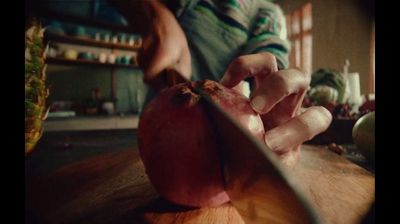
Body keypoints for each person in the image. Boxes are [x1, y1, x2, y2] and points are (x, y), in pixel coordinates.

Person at [112, 0, 332, 167]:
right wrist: (156, 13)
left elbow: (271, 57)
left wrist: (279, 98)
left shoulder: (266, 13)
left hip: (225, 154)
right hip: (151, 147)